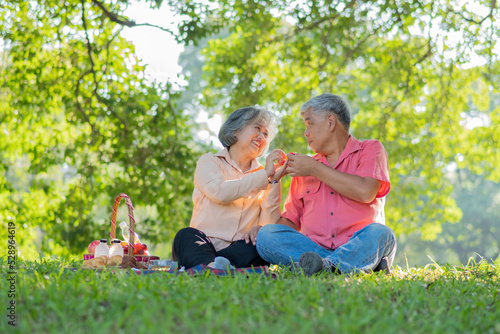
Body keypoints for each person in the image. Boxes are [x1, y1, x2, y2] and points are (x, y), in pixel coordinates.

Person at [256, 93, 396, 275]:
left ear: (330, 122)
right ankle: (342, 266)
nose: (305, 132)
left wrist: (315, 169)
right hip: (314, 250)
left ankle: (325, 266)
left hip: (359, 244)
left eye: (309, 124)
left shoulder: (370, 149)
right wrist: (273, 180)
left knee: (381, 234)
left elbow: (365, 191)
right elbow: (289, 222)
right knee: (267, 236)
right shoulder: (304, 168)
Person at [172, 106, 287, 270]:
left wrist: (273, 181)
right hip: (204, 245)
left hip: (239, 250)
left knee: (263, 243)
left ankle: (214, 269)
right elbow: (220, 192)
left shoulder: (265, 175)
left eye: (266, 134)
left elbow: (269, 224)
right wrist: (265, 175)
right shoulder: (209, 162)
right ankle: (217, 268)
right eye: (257, 128)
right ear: (235, 131)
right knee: (185, 235)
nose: (262, 136)